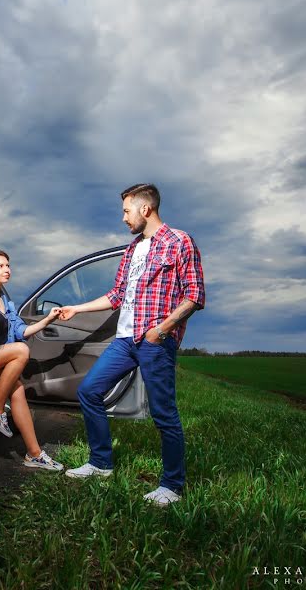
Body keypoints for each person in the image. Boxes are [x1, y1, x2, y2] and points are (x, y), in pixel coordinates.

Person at [59, 183, 205, 506]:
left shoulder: (179, 242)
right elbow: (116, 296)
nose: (123, 218)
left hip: (155, 341)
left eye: (126, 211)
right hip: (125, 340)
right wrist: (76, 308)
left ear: (145, 209)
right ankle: (101, 464)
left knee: (164, 414)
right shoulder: (131, 250)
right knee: (89, 391)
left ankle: (172, 485)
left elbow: (194, 295)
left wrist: (161, 330)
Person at [0, 250, 65, 471]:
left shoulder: (7, 303)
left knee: (18, 390)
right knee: (22, 351)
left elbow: (22, 331)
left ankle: (34, 454)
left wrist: (49, 318)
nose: (7, 270)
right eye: (0, 266)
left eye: (8, 265)